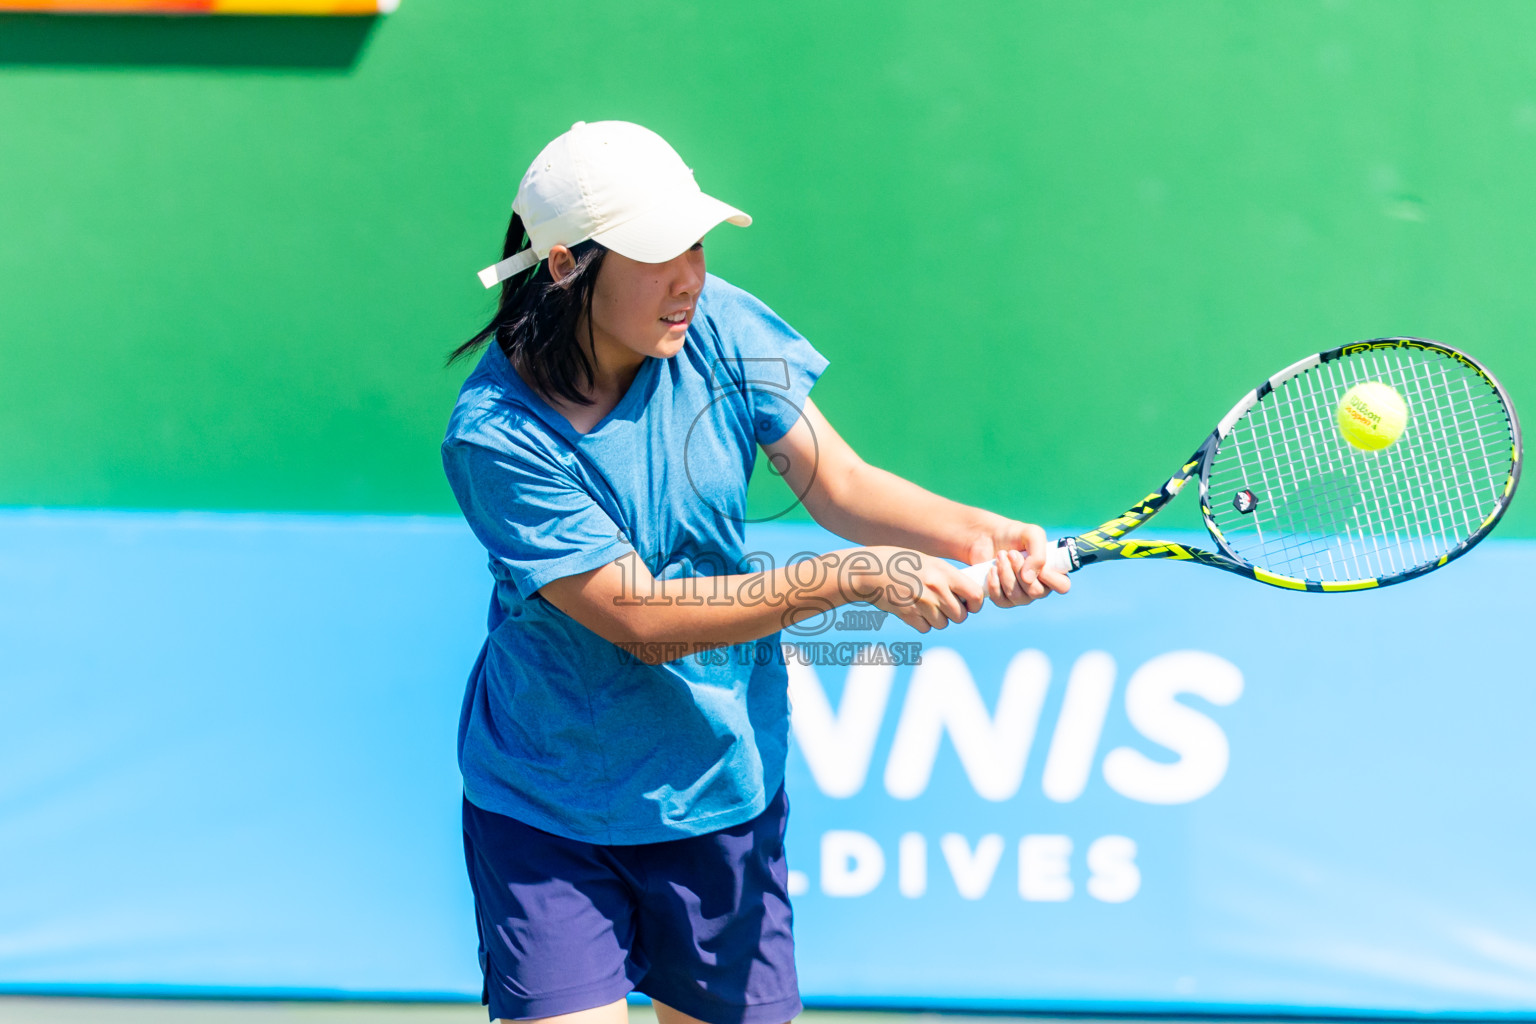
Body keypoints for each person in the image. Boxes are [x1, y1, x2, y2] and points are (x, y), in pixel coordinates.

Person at [442, 120, 1070, 1024]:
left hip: (720, 790)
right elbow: (644, 621)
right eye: (658, 252)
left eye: (694, 242)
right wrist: (853, 579)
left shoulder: (719, 322)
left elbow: (842, 485)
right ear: (565, 266)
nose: (688, 274)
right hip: (551, 812)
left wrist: (986, 538)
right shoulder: (496, 438)